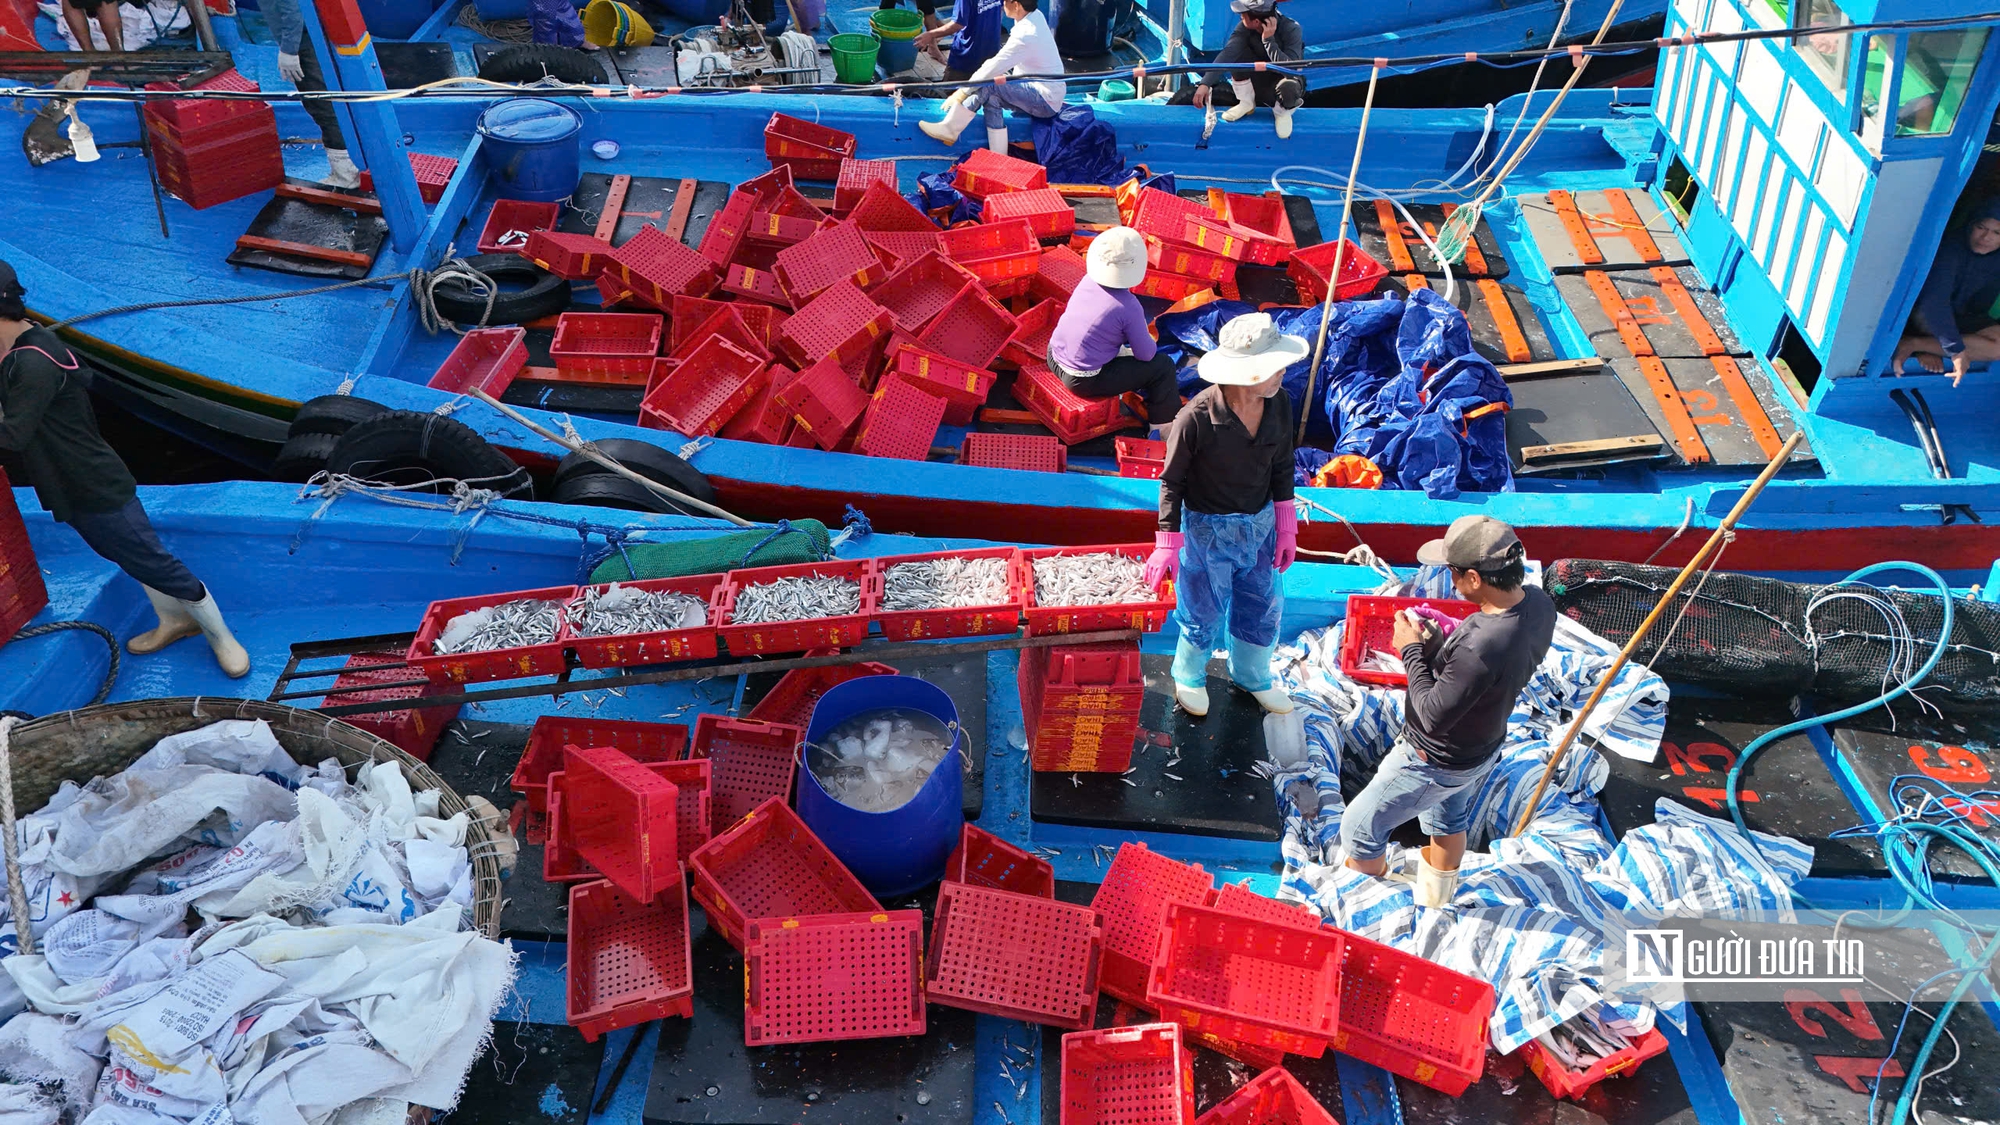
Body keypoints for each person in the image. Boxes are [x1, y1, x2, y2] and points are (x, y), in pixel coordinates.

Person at [0, 260, 249, 678]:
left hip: (93, 483)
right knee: (120, 552)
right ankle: (174, 620)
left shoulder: (33, 364)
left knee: (153, 560)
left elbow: (12, 436)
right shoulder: (21, 342)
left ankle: (220, 635)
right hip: (65, 479)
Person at [1338, 515, 1554, 907]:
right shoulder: (1539, 604)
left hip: (1433, 760)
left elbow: (1432, 717)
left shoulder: (1479, 646)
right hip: (1479, 750)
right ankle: (1437, 900)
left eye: (1453, 572)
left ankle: (1369, 904)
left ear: (1474, 578)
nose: (1450, 579)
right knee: (1448, 821)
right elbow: (1487, 673)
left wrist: (1410, 649)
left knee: (1358, 829)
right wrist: (1444, 643)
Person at [1145, 312, 1305, 719]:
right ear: (1247, 373)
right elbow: (1172, 482)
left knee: (1261, 603)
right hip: (1206, 532)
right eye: (1273, 367)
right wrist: (1167, 543)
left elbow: (1283, 465)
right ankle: (1189, 675)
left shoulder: (1279, 404)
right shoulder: (1195, 418)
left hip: (1261, 528)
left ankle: (1252, 675)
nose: (1282, 374)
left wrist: (1286, 527)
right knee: (1202, 609)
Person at [1047, 227, 1182, 436]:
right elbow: (1146, 355)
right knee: (1163, 366)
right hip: (1081, 381)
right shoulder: (1129, 306)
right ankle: (1164, 428)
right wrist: (1147, 338)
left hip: (1053, 357)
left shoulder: (1087, 280)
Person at [919, 0, 1064, 155]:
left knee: (990, 84)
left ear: (1016, 5)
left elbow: (993, 67)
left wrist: (962, 93)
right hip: (1038, 89)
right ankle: (998, 154)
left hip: (1044, 99)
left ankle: (950, 128)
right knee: (992, 97)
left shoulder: (1027, 34)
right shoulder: (1034, 16)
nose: (1002, 4)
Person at [1893, 198, 2000, 385]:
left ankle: (1917, 344)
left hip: (1957, 316)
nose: (1986, 237)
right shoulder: (1950, 248)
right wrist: (1956, 351)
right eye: (1981, 227)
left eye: (1997, 232)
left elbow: (1978, 307)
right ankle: (1922, 343)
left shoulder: (1995, 258)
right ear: (1971, 225)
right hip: (1921, 315)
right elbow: (1933, 303)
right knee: (1928, 315)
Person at [1169, 0, 1303, 139]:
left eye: (1243, 15)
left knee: (1289, 86)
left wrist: (1269, 41)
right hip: (1258, 77)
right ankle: (1246, 102)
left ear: (1256, 21)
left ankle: (1282, 112)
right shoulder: (1244, 28)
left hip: (1283, 80)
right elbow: (1228, 53)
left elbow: (1291, 70)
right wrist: (1205, 83)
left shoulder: (1292, 29)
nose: (1241, 17)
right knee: (1236, 55)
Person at [266, 0, 361, 189]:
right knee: (332, 104)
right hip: (316, 36)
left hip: (305, 44)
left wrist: (289, 50)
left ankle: (346, 177)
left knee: (324, 107)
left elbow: (292, 9)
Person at [913, 0, 1004, 84]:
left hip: (966, 56)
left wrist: (930, 35)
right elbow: (1002, 9)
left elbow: (958, 24)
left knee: (948, 91)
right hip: (992, 50)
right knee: (986, 88)